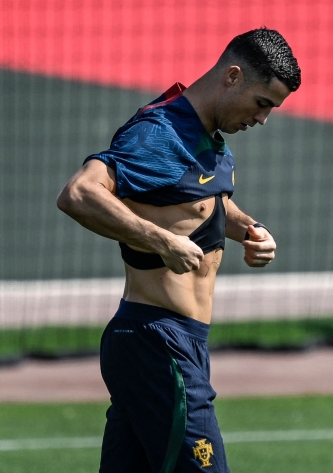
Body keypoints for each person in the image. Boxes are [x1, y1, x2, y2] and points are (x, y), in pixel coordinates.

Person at [57, 27, 300, 473]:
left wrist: (249, 229)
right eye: (262, 103)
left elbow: (200, 201)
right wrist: (161, 241)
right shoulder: (159, 133)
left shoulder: (209, 136)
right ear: (232, 76)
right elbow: (79, 193)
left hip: (172, 343)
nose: (263, 119)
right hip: (157, 342)